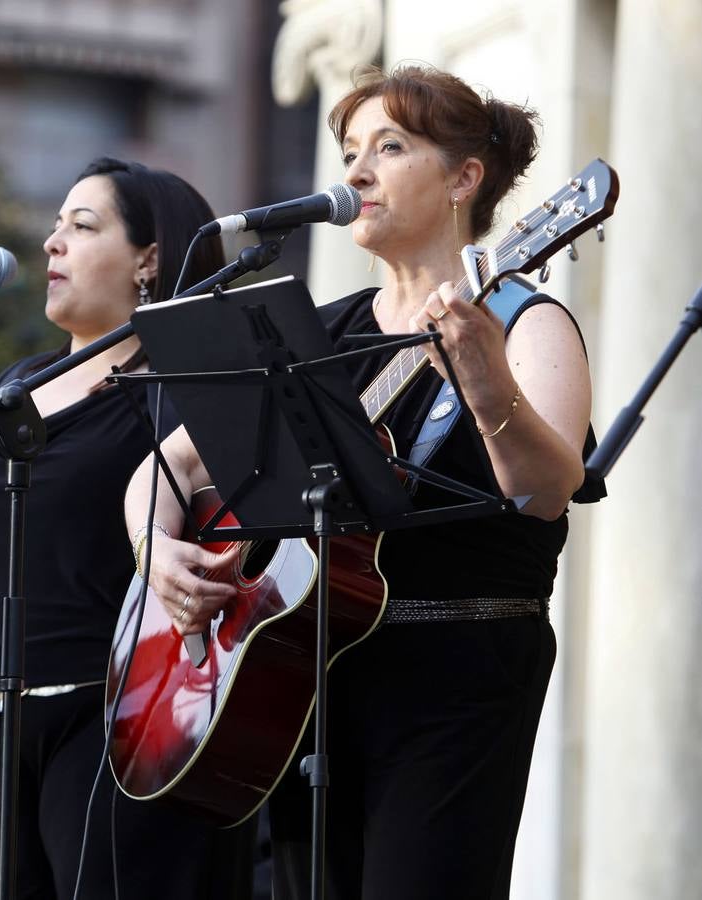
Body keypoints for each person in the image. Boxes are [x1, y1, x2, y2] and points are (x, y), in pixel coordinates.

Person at [122, 65, 604, 899]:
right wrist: (154, 554)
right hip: (308, 672)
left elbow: (545, 491)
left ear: (463, 178)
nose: (354, 172)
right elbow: (161, 470)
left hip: (457, 672)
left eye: (388, 146)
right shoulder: (324, 332)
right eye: (348, 151)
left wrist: (484, 376)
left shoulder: (525, 320)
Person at [0, 158, 254, 899]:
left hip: (113, 724)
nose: (53, 244)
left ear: (148, 258)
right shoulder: (14, 383)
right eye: (54, 227)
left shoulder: (182, 387)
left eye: (81, 227)